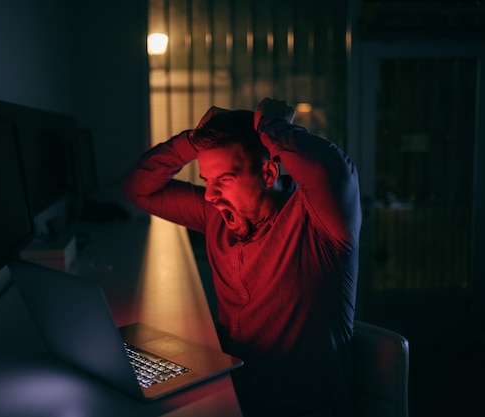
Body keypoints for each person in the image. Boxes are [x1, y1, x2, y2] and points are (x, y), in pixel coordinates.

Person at [122, 98, 361, 416]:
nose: (210, 195)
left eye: (223, 180)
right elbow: (138, 188)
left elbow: (333, 169)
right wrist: (191, 141)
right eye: (207, 181)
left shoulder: (319, 221)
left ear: (269, 173)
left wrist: (271, 126)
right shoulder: (215, 217)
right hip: (229, 399)